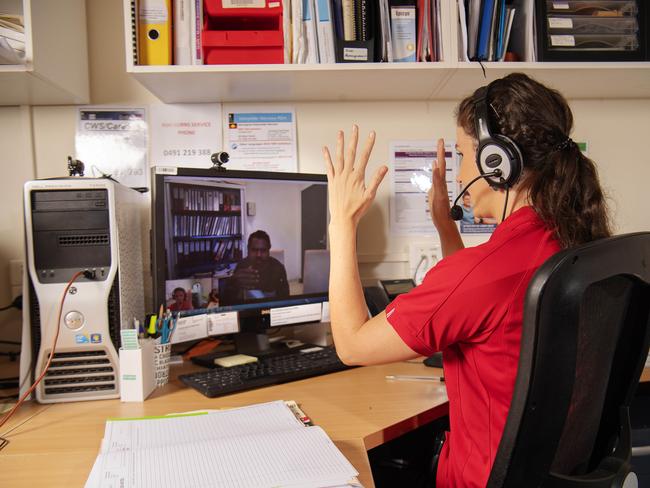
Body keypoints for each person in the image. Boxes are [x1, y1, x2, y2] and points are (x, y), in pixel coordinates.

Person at [322, 73, 611, 487]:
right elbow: (482, 302)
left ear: (498, 162)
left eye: (462, 155)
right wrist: (445, 226)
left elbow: (351, 345)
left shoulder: (487, 270)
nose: (458, 177)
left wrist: (343, 224)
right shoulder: (568, 241)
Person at [222, 230, 289, 303]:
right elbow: (229, 301)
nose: (259, 255)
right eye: (254, 250)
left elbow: (285, 299)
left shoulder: (278, 268)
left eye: (263, 250)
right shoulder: (242, 265)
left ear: (269, 249)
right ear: (248, 249)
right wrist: (233, 282)